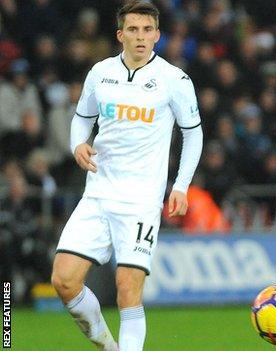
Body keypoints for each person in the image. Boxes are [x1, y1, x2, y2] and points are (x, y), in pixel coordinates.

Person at [50, 2, 203, 350]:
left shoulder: (174, 80)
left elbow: (193, 133)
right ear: (120, 35)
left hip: (141, 201)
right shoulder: (100, 72)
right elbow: (82, 118)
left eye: (148, 30)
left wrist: (180, 186)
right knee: (64, 280)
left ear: (158, 35)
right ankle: (109, 345)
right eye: (133, 30)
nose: (141, 37)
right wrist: (78, 145)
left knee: (127, 289)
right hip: (98, 193)